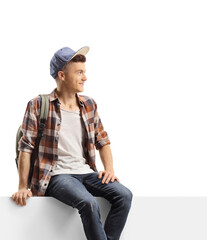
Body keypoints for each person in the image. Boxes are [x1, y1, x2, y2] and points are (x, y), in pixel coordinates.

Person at [12, 46, 132, 240]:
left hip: (86, 172)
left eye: (84, 72)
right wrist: (22, 187)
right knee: (88, 202)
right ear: (62, 75)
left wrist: (109, 170)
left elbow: (103, 140)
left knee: (124, 196)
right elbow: (26, 148)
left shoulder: (89, 104)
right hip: (57, 176)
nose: (85, 77)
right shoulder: (38, 104)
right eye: (79, 72)